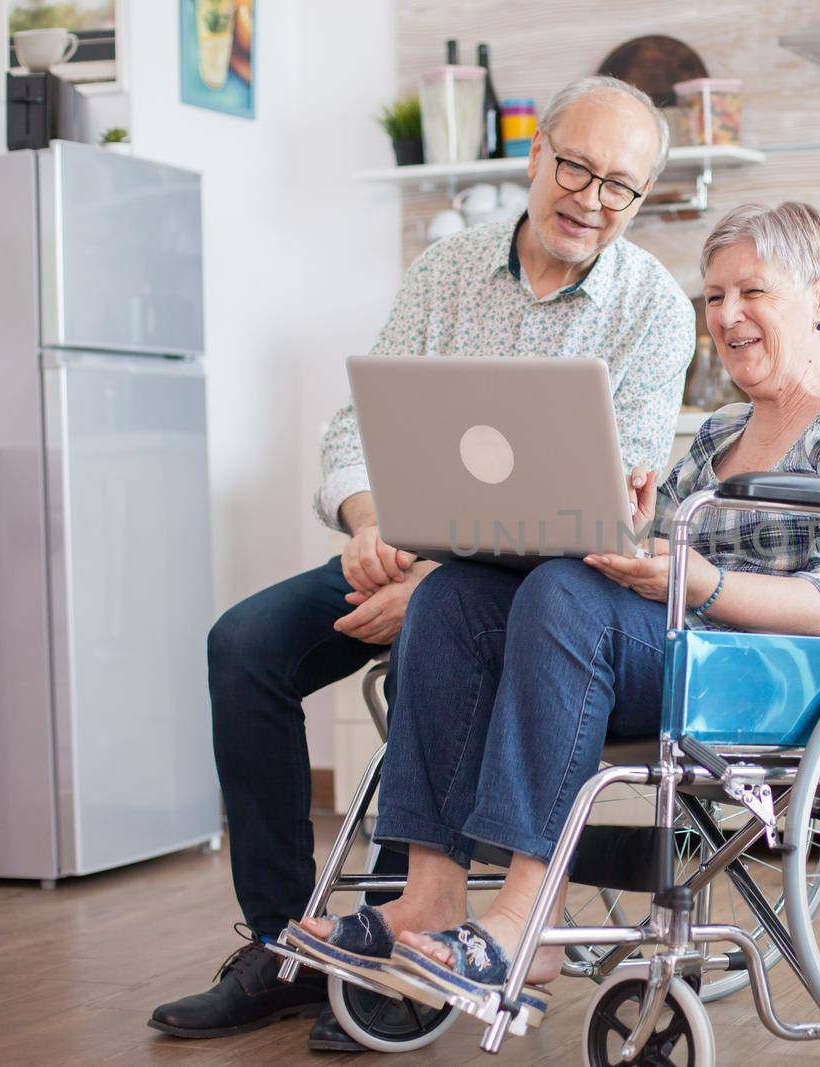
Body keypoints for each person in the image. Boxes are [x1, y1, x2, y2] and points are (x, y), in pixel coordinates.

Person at [287, 202, 820, 1028]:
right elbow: (648, 562)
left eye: (752, 292)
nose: (728, 317)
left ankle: (528, 919)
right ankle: (429, 895)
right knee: (455, 599)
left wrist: (700, 582)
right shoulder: (717, 437)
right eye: (713, 297)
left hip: (795, 677)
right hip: (689, 659)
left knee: (566, 601)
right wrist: (617, 523)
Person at [148, 76, 695, 1049]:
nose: (590, 198)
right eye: (575, 165)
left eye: (621, 185)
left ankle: (415, 949)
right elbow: (360, 421)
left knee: (448, 624)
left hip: (529, 580)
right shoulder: (446, 273)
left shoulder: (653, 307)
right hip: (407, 552)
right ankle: (281, 945)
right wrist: (366, 520)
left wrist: (439, 572)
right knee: (245, 646)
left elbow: (619, 499)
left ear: (641, 197)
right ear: (534, 156)